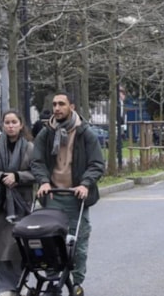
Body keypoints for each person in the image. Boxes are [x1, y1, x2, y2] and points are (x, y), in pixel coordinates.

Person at [33, 92, 105, 296]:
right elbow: (37, 161)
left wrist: (85, 184)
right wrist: (44, 181)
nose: (57, 108)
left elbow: (97, 164)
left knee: (77, 243)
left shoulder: (85, 133)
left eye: (61, 104)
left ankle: (77, 282)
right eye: (54, 104)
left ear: (71, 106)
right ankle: (53, 280)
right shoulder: (46, 132)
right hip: (53, 196)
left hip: (76, 197)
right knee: (50, 242)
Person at [0, 110, 35, 296]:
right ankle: (5, 287)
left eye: (14, 122)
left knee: (19, 246)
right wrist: (1, 177)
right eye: (7, 122)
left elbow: (38, 172)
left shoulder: (29, 148)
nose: (10, 126)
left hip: (21, 203)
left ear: (21, 125)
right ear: (2, 125)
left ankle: (21, 282)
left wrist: (18, 177)